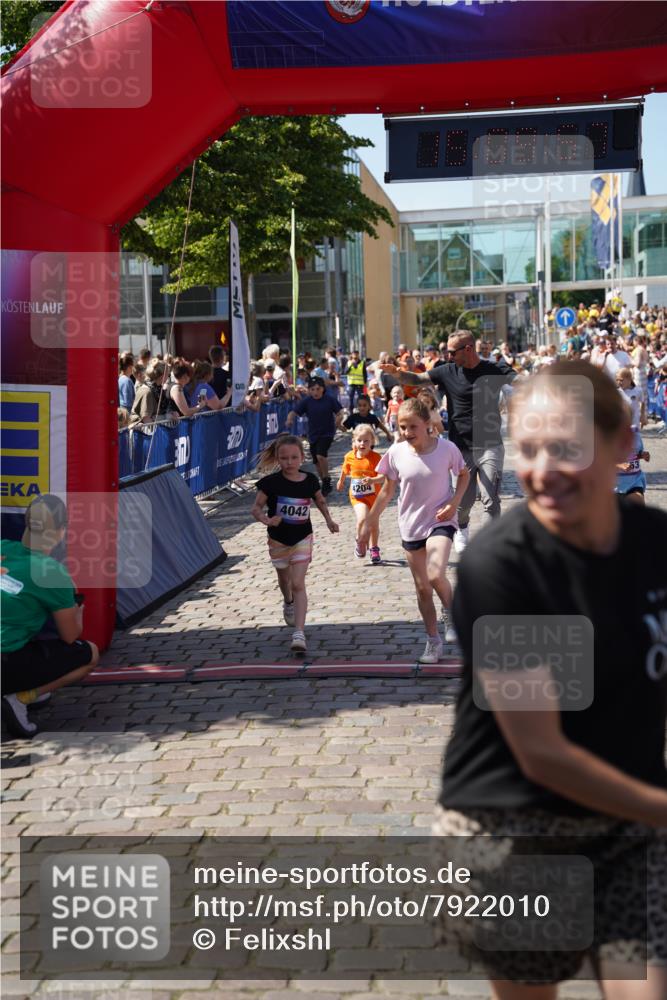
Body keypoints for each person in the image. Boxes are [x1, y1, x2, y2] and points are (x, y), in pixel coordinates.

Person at [435, 360, 667, 999]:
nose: (542, 470)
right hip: (519, 829)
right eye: (530, 449)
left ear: (623, 444)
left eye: (566, 448)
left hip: (630, 823)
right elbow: (542, 752)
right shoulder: (506, 567)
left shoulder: (655, 542)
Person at [380, 330, 515, 553]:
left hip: (490, 444)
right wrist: (398, 373)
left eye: (452, 352)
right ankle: (462, 528)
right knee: (464, 502)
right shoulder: (447, 371)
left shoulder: (494, 369)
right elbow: (416, 379)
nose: (448, 356)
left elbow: (521, 381)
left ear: (468, 349)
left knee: (491, 496)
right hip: (460, 446)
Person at [360, 398, 470, 661]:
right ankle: (433, 641)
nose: (407, 433)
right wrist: (367, 525)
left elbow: (463, 474)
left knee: (435, 574)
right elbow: (387, 492)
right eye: (402, 427)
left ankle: (451, 613)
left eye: (412, 427)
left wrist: (454, 503)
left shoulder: (447, 449)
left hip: (441, 520)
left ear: (427, 425)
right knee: (422, 588)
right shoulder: (396, 453)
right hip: (411, 524)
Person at [1, 495, 100, 739]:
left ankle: (26, 685)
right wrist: (78, 608)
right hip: (5, 660)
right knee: (90, 654)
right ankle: (21, 697)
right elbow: (70, 636)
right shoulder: (53, 573)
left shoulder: (3, 547)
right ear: (61, 531)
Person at [251, 434, 339, 654]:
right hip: (278, 539)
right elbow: (256, 508)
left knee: (298, 582)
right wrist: (266, 520)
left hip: (302, 537)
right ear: (278, 459)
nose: (289, 462)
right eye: (284, 458)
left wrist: (329, 520)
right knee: (284, 579)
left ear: (302, 457)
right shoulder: (270, 483)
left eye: (293, 457)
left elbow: (319, 500)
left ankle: (299, 633)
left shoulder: (309, 480)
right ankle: (288, 601)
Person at [286, 376, 344, 496]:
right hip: (313, 435)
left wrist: (338, 421)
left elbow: (340, 412)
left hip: (327, 433)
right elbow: (294, 412)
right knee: (316, 461)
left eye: (317, 389)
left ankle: (327, 479)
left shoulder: (329, 399)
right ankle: (324, 480)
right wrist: (289, 419)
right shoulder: (307, 401)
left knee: (321, 455)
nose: (315, 392)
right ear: (309, 390)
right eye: (312, 389)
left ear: (323, 389)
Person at [337, 424, 385, 564]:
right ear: (354, 441)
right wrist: (341, 481)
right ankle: (360, 540)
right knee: (362, 519)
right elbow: (345, 470)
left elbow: (383, 477)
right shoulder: (349, 456)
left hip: (374, 497)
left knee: (374, 525)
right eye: (359, 440)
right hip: (357, 497)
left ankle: (374, 548)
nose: (362, 444)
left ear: (372, 442)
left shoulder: (376, 458)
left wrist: (372, 480)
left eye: (366, 441)